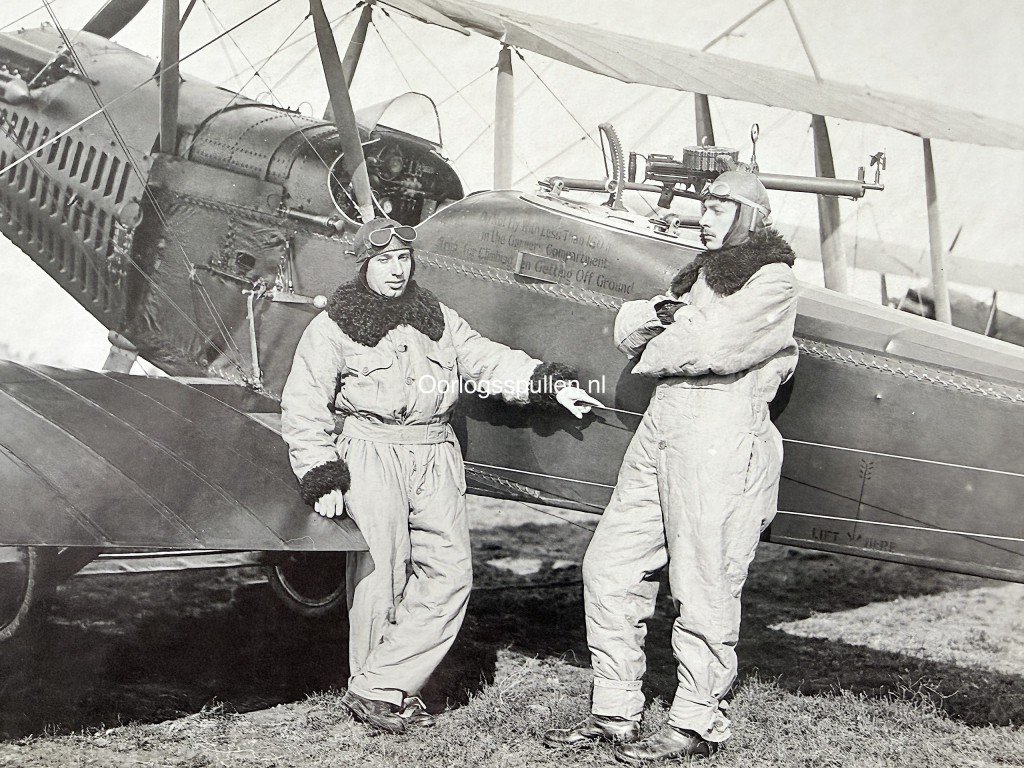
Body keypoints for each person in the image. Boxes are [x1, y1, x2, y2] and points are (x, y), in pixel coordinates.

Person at [281, 216, 598, 735]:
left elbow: (483, 358)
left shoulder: (438, 318)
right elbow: (303, 404)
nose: (396, 270)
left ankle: (376, 684)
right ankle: (383, 693)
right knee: (380, 577)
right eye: (384, 260)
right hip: (372, 450)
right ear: (364, 263)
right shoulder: (333, 326)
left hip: (434, 452)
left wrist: (547, 384)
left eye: (404, 259)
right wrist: (322, 473)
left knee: (451, 575)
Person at [544, 170, 798, 763]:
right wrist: (667, 317)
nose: (702, 218)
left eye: (717, 208)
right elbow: (625, 327)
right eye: (701, 207)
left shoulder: (773, 278)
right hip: (665, 422)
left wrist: (665, 323)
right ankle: (614, 711)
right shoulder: (700, 275)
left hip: (720, 427)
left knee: (704, 580)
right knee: (608, 566)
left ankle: (696, 722)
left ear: (749, 216)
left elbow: (709, 347)